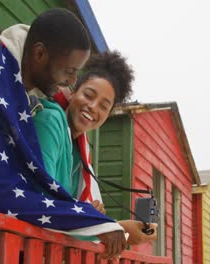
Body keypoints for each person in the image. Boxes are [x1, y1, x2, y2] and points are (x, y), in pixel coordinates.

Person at [0, 8, 125, 259]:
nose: (71, 81)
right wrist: (96, 222)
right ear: (40, 54)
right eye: (68, 71)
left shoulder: (12, 84)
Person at [33, 51, 158, 246]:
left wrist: (89, 214)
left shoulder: (81, 153)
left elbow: (66, 212)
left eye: (103, 106)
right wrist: (116, 228)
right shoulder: (50, 120)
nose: (92, 106)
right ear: (73, 92)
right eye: (88, 95)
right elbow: (42, 204)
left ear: (107, 115)